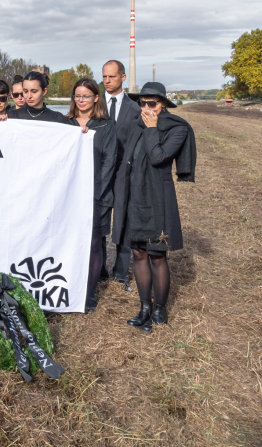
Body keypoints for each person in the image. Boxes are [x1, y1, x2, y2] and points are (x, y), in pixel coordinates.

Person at [112, 82, 196, 333]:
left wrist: (151, 128)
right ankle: (144, 307)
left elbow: (159, 157)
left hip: (157, 196)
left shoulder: (176, 128)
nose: (147, 108)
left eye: (152, 103)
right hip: (133, 195)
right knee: (138, 252)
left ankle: (160, 308)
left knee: (157, 254)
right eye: (143, 103)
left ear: (163, 104)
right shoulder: (137, 125)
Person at [66, 79, 117, 313]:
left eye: (86, 96)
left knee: (94, 243)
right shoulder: (64, 123)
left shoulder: (107, 126)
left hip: (97, 195)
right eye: (78, 96)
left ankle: (88, 293)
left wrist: (92, 193)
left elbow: (109, 163)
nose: (82, 100)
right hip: (68, 196)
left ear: (96, 98)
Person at [102, 60, 142, 289]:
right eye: (104, 77)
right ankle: (98, 269)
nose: (107, 81)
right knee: (98, 221)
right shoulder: (93, 104)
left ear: (123, 78)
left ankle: (121, 271)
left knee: (123, 223)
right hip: (98, 174)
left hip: (124, 174)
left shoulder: (135, 109)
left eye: (112, 77)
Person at [0, 70, 69, 123]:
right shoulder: (11, 116)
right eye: (25, 92)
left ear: (44, 91)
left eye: (34, 91)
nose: (29, 96)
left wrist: (80, 131)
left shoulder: (58, 118)